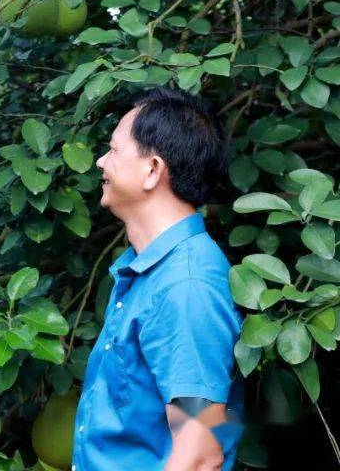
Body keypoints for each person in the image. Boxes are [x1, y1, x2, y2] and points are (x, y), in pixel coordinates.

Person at [72, 86, 243, 471]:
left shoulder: (187, 286)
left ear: (152, 170)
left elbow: (200, 454)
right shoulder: (151, 273)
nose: (100, 161)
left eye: (114, 150)